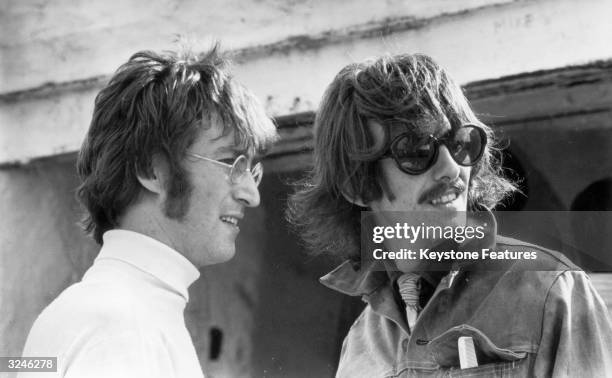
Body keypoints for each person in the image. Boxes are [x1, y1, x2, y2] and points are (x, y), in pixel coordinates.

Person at [288, 53, 612, 376]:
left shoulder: (554, 292)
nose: (452, 168)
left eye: (460, 144)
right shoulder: (359, 345)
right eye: (416, 151)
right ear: (354, 185)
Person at [19, 45, 277, 377]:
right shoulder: (124, 325)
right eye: (230, 162)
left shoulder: (120, 311)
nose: (251, 195)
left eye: (251, 171)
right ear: (153, 171)